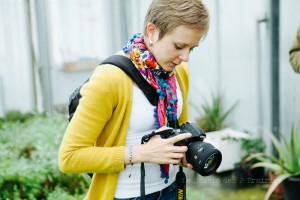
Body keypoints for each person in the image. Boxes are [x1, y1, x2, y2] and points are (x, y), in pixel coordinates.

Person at [58, 0, 210, 199]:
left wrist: (182, 151)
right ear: (152, 31)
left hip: (173, 189)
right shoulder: (110, 79)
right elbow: (69, 157)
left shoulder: (178, 71)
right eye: (179, 46)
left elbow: (179, 129)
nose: (185, 57)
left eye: (192, 48)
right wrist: (141, 153)